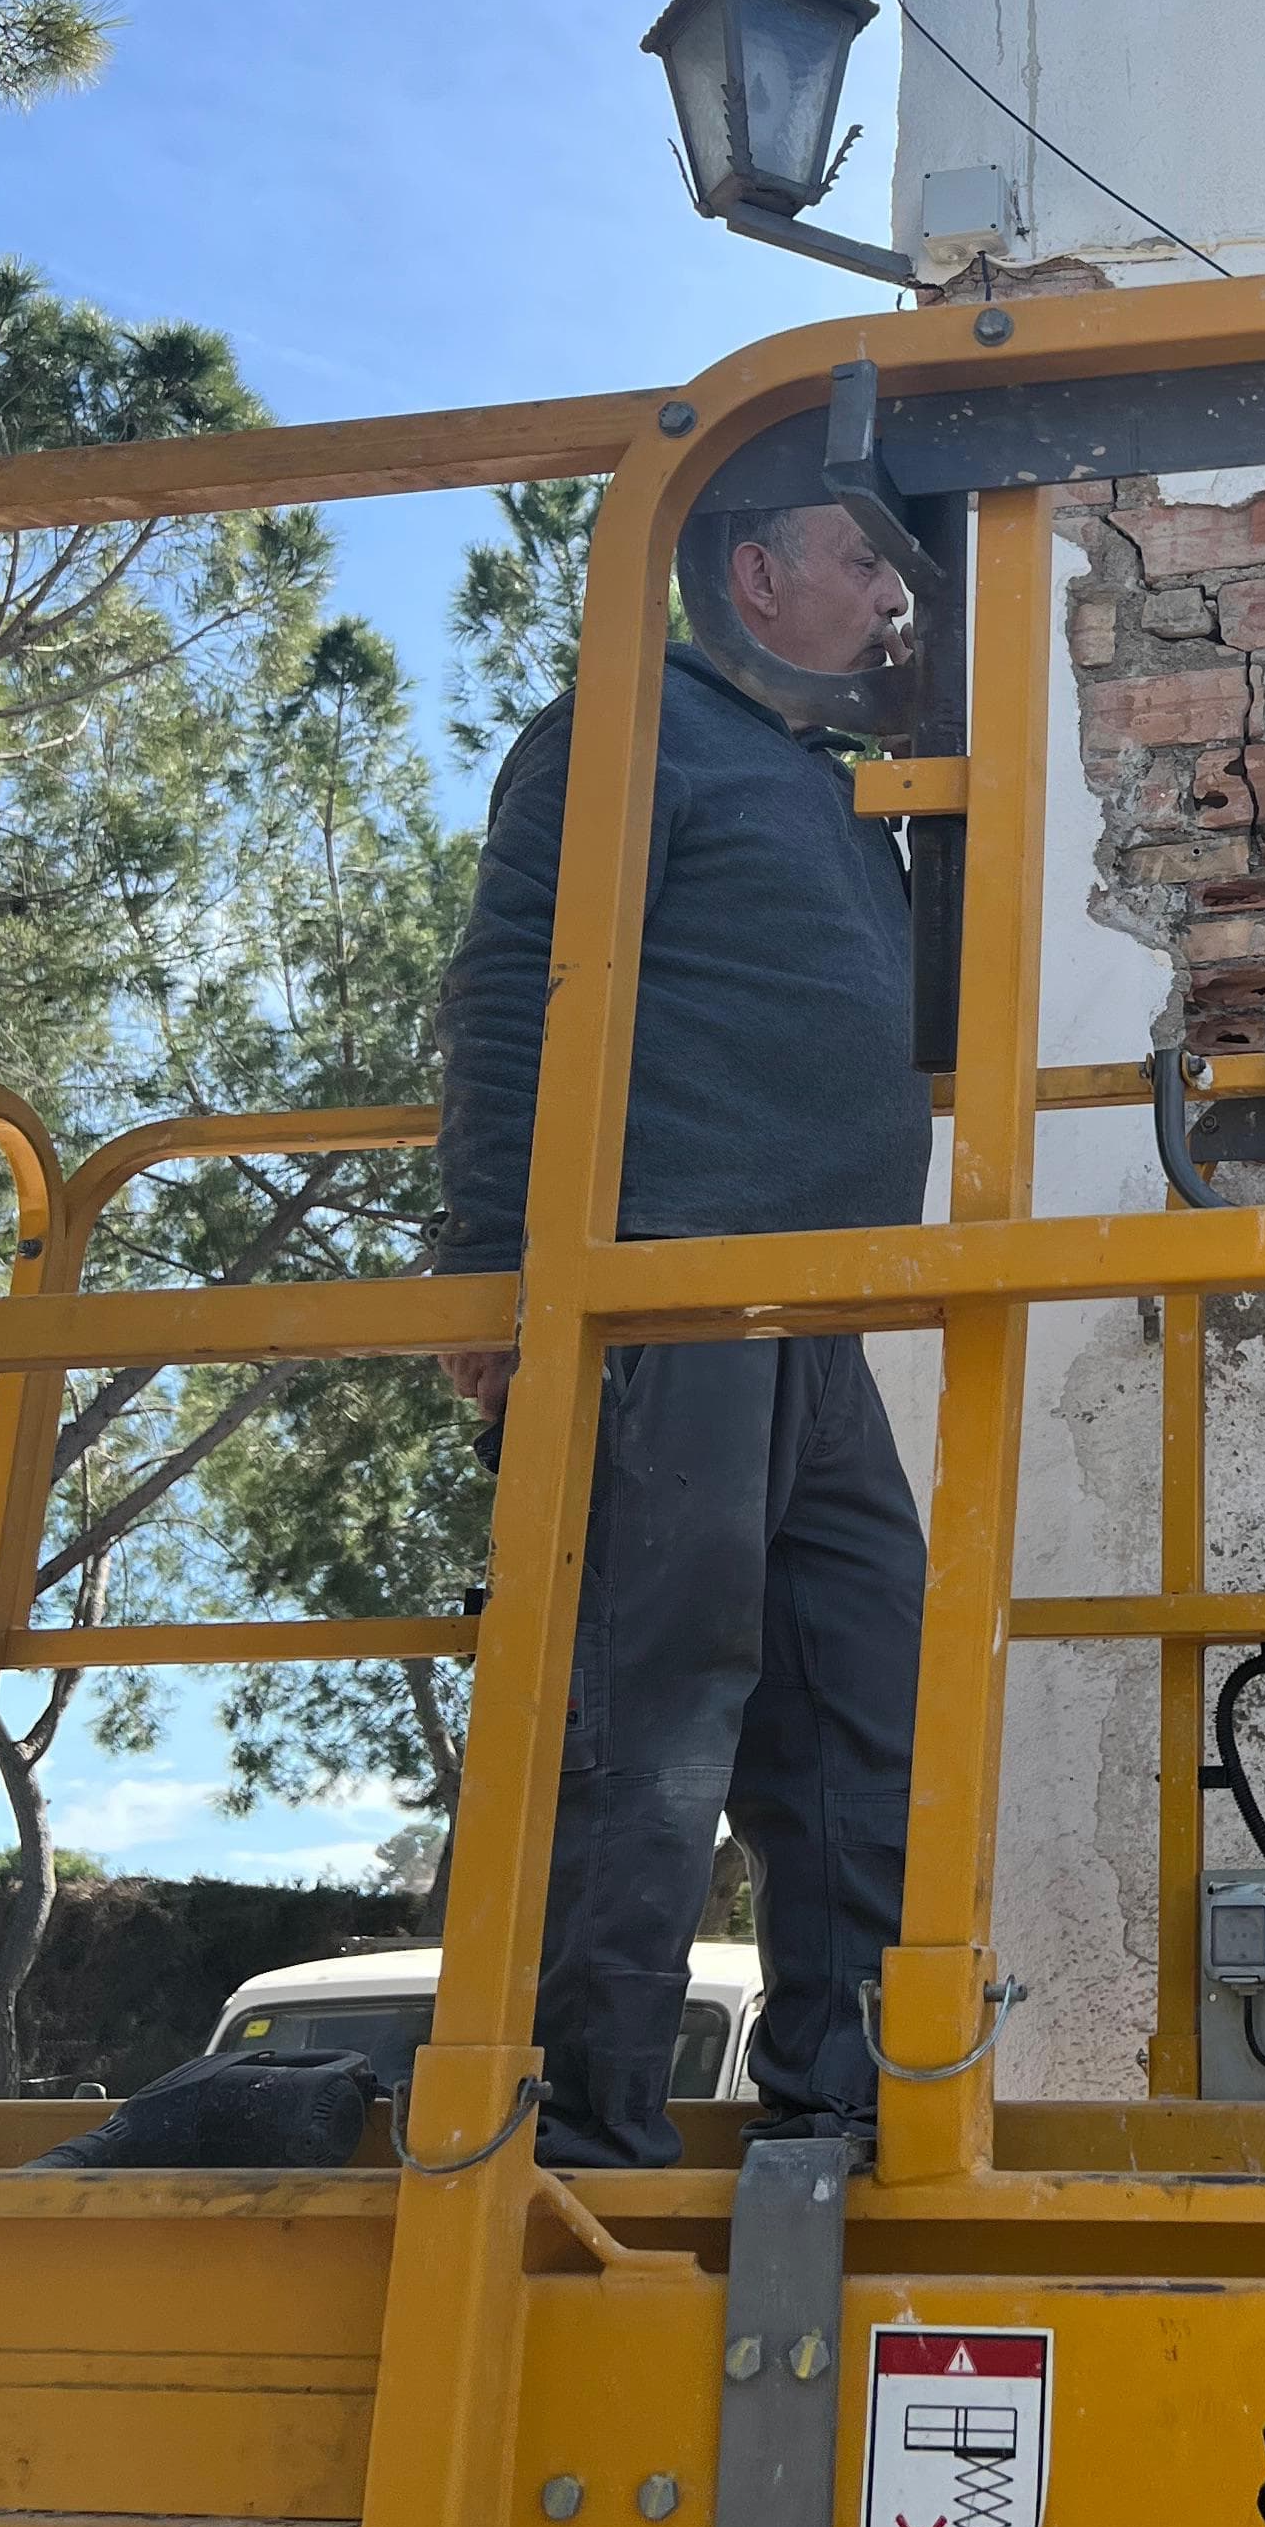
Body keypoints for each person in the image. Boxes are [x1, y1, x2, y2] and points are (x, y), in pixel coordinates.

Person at [433, 484, 933, 2168]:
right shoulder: (630, 731)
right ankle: (568, 2123)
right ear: (755, 574)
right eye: (867, 562)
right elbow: (515, 985)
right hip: (658, 1286)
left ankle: (846, 2097)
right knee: (647, 1703)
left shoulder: (831, 796)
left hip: (818, 1324)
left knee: (861, 1699)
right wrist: (496, 1268)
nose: (892, 598)